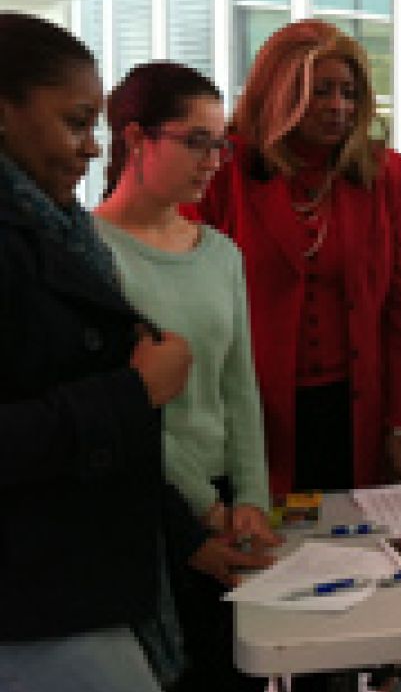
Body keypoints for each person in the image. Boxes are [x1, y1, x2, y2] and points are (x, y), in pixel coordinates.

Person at [0, 13, 267, 692]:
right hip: (49, 589)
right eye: (74, 122)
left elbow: (238, 390)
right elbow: (111, 409)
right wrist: (136, 394)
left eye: (221, 145)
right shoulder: (74, 247)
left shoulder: (58, 236)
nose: (87, 148)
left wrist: (239, 505)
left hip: (125, 546)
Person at [95, 61, 279, 692]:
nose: (213, 160)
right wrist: (205, 508)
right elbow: (129, 406)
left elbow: (240, 387)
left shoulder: (221, 253)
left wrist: (252, 499)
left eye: (219, 144)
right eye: (195, 141)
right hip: (155, 504)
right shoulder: (92, 255)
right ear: (135, 138)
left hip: (226, 503)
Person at [187, 19, 401, 495]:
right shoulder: (223, 171)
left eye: (348, 92)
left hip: (355, 408)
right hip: (249, 406)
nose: (338, 106)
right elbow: (193, 305)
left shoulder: (384, 174)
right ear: (277, 92)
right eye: (319, 92)